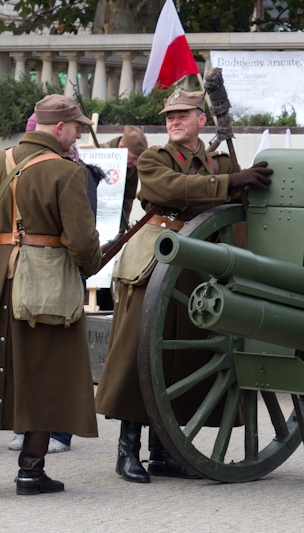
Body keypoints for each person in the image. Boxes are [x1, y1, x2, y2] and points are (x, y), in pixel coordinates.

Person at [94, 89, 273, 484]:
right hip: (154, 262)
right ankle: (128, 451)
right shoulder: (156, 158)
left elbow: (239, 204)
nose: (173, 121)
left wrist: (239, 181)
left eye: (182, 115)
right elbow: (167, 190)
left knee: (182, 363)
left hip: (199, 269)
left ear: (201, 120)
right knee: (136, 357)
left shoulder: (220, 160)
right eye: (169, 116)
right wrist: (226, 181)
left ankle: (165, 452)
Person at [0, 94, 102, 495]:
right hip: (43, 284)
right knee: (47, 373)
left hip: (3, 276)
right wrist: (93, 262)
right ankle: (30, 472)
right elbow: (81, 242)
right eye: (76, 127)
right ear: (59, 128)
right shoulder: (67, 172)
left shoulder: (3, 159)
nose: (78, 134)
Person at [100, 125, 148, 232]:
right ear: (121, 148)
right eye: (134, 158)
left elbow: (128, 198)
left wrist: (121, 230)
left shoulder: (132, 165)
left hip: (114, 222)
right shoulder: (99, 154)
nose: (136, 163)